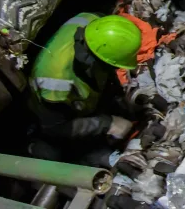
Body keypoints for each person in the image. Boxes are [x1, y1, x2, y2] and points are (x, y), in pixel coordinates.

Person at [28, 14, 141, 164]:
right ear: (94, 60)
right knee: (56, 156)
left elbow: (106, 62)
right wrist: (108, 124)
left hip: (82, 96)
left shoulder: (95, 24)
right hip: (48, 118)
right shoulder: (54, 81)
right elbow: (55, 128)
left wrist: (119, 98)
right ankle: (31, 148)